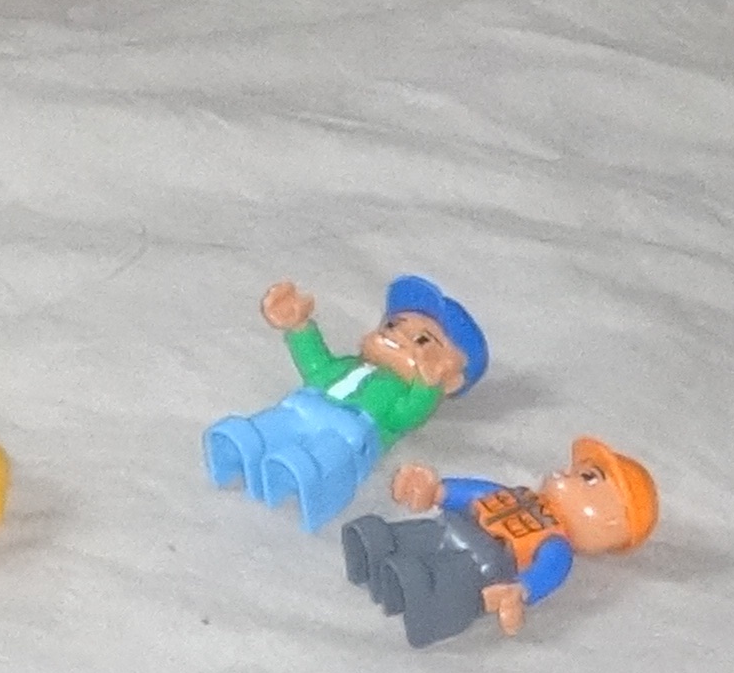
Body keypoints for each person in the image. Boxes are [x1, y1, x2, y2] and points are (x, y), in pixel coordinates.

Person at [206, 275, 486, 530]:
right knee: (274, 424)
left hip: (351, 433)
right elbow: (317, 366)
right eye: (392, 324)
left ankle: (309, 475)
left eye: (422, 340)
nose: (395, 335)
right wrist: (299, 327)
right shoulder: (349, 365)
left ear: (451, 381)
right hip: (303, 406)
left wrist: (427, 387)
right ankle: (248, 444)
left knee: (327, 454)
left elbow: (405, 416)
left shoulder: (399, 392)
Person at [341, 437, 658, 644]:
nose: (562, 473)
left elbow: (546, 573)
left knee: (444, 581)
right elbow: (478, 493)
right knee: (412, 536)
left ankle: (420, 593)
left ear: (611, 520)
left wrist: (519, 591)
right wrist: (437, 491)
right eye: (575, 469)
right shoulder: (516, 495)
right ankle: (378, 548)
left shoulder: (556, 546)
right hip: (451, 526)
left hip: (481, 563)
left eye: (586, 477)